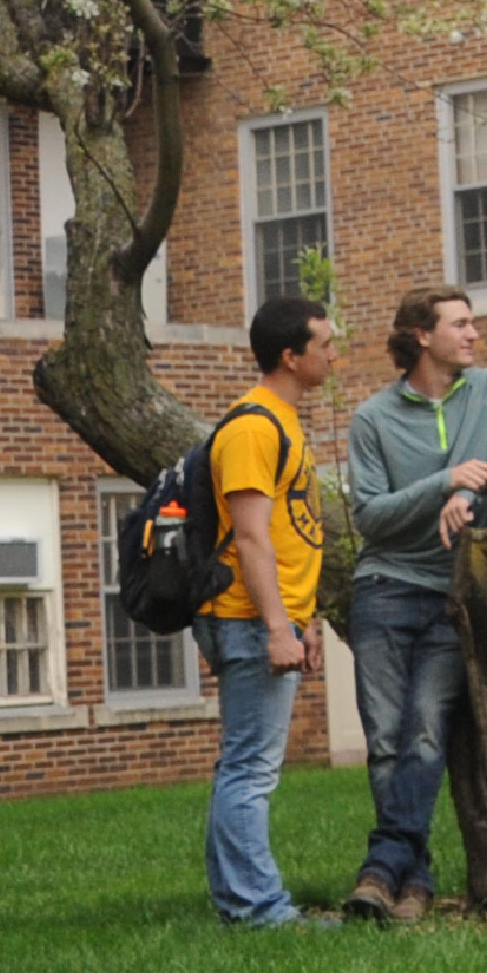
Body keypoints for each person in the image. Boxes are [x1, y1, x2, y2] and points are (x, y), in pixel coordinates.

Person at [324, 285, 487, 924]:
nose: (474, 334)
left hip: (450, 599)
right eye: (460, 324)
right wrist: (443, 484)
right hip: (384, 590)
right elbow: (373, 519)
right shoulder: (373, 419)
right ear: (421, 337)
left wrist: (478, 484)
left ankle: (381, 869)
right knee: (384, 738)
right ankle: (414, 880)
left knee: (427, 731)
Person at [198, 295, 337, 929]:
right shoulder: (254, 426)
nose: (334, 355)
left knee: (245, 766)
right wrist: (275, 627)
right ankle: (258, 911)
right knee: (250, 770)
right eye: (325, 345)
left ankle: (241, 901)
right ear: (291, 355)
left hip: (272, 615)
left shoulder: (283, 420)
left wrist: (305, 619)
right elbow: (251, 535)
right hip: (247, 616)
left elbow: (292, 530)